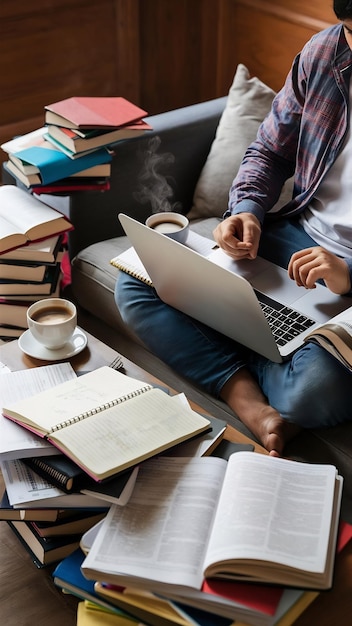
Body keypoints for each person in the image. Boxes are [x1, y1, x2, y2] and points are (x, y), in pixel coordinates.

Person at [116, 1, 352, 457]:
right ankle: (252, 401)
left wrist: (348, 273)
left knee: (315, 392)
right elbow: (269, 151)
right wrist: (245, 210)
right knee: (140, 281)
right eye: (349, 29)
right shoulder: (326, 53)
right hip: (296, 238)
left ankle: (257, 354)